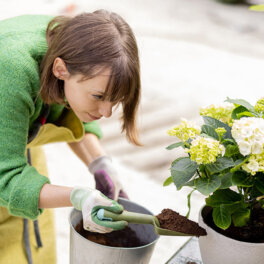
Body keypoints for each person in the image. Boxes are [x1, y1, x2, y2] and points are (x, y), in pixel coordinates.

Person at [0, 9, 141, 264]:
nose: (106, 112)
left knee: (33, 236)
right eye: (98, 97)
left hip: (11, 133)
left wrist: (100, 163)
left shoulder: (72, 46)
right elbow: (7, 177)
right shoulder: (10, 71)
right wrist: (78, 196)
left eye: (115, 100)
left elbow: (73, 111)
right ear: (60, 69)